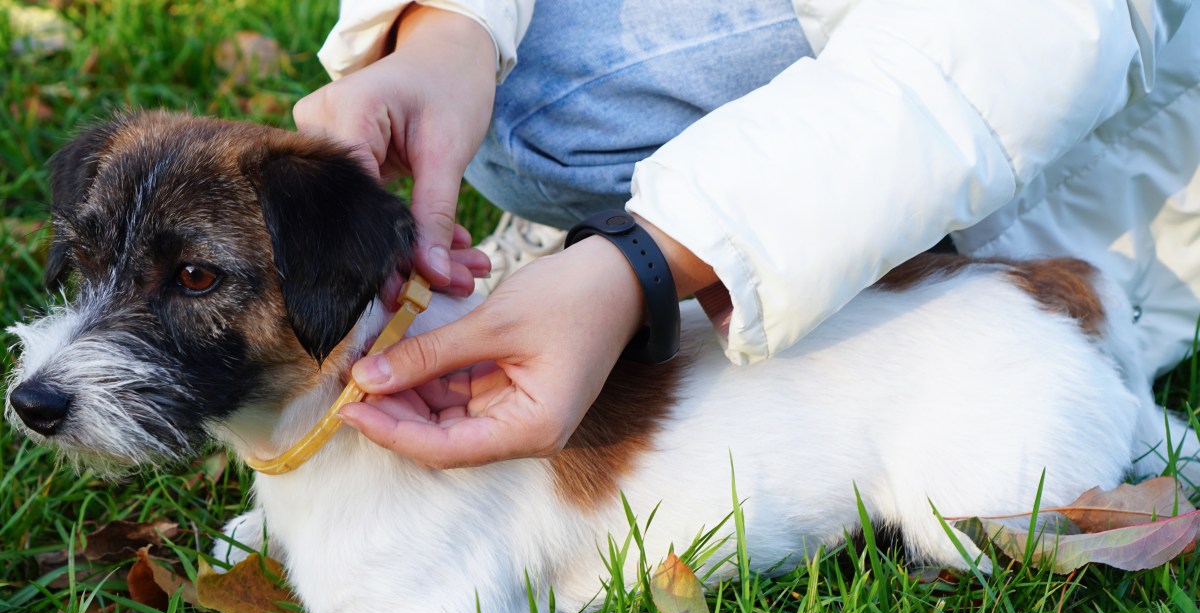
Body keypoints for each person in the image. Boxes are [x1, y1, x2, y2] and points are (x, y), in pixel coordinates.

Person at [294, 0, 1200, 469]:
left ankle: (657, 252)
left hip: (1078, 123)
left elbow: (1025, 38)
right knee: (517, 71)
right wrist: (447, 31)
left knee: (538, 108)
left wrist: (646, 260)